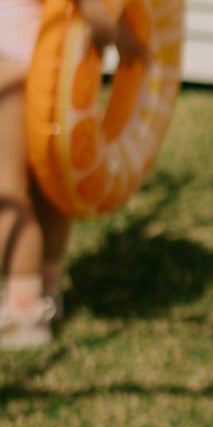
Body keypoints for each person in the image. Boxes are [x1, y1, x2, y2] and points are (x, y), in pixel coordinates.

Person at [0, 0, 143, 347]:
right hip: (47, 67)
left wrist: (103, 22)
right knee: (48, 188)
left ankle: (23, 312)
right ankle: (47, 291)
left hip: (15, 66)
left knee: (8, 192)